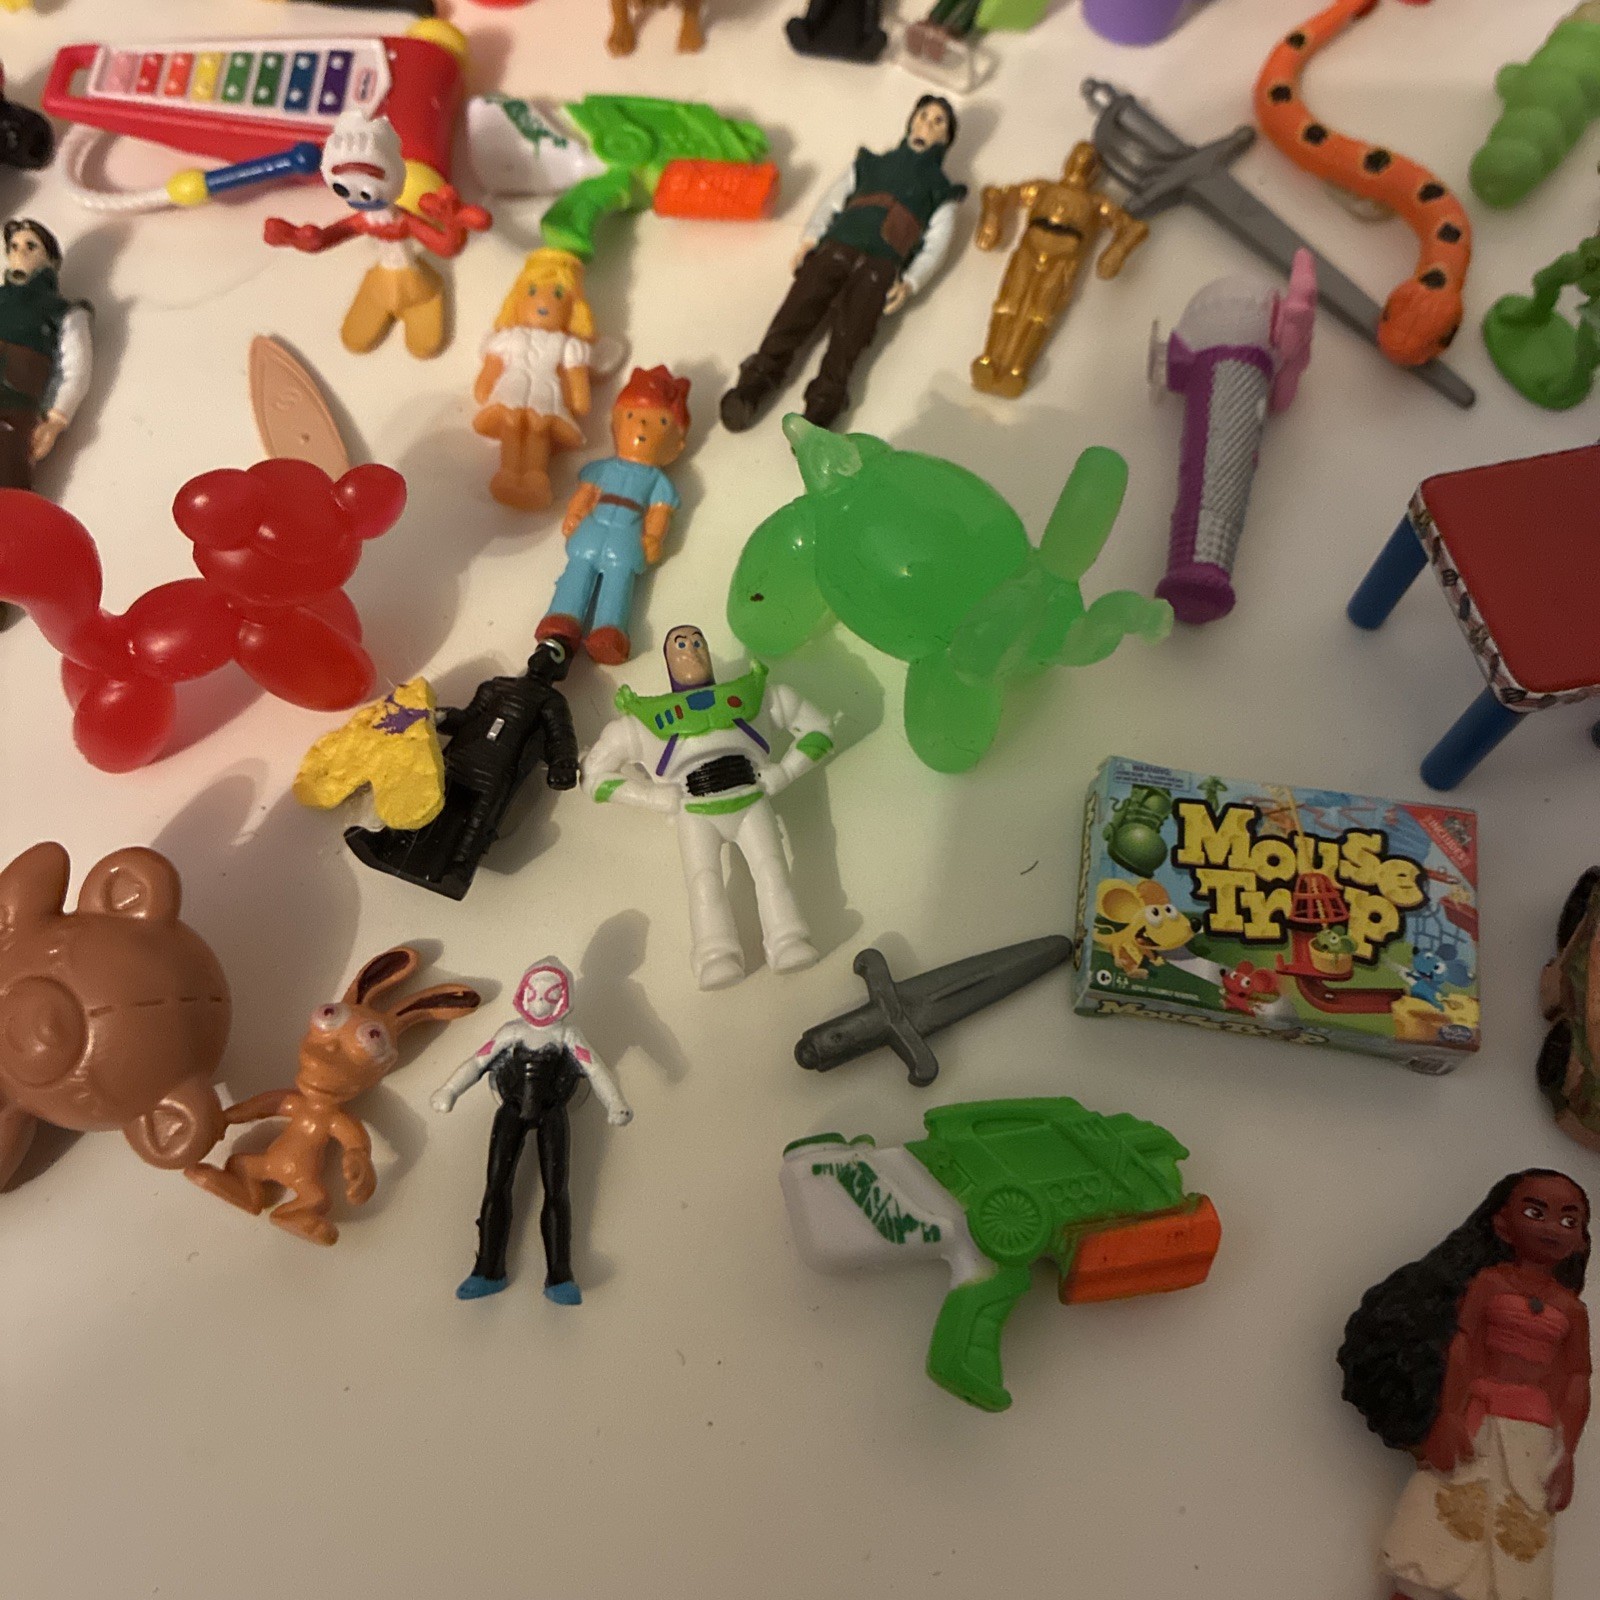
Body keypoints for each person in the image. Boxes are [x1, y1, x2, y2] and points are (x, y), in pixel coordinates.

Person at [1338, 1169, 1592, 1600]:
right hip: (1479, 1425)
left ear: (1581, 1240)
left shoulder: (1572, 1310)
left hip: (1533, 1440)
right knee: (1442, 1532)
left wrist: (1566, 1453)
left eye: (1569, 1220)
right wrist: (1449, 1416)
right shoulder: (1489, 1284)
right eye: (1536, 1213)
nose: (1552, 1228)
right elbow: (1463, 1347)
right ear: (1502, 1224)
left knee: (1514, 1545)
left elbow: (1576, 1379)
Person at [582, 625, 834, 990]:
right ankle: (715, 955)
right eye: (681, 645)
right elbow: (595, 777)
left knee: (771, 870)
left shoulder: (757, 697)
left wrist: (785, 772)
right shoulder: (642, 723)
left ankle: (787, 939)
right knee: (704, 884)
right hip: (695, 811)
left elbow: (819, 729)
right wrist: (651, 797)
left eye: (698, 642)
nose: (691, 652)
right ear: (668, 658)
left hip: (750, 798)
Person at [719, 97, 965, 433]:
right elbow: (832, 201)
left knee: (850, 340)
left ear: (946, 138)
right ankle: (753, 385)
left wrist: (911, 281)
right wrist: (811, 238)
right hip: (836, 248)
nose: (928, 125)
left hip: (880, 267)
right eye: (923, 116)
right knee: (794, 314)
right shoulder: (870, 164)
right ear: (911, 121)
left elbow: (937, 243)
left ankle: (822, 410)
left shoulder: (941, 190)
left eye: (939, 122)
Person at [432, 959, 632, 1306]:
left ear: (563, 997)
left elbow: (594, 1069)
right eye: (534, 993)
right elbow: (479, 1061)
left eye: (549, 995)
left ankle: (560, 1274)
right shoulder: (511, 1032)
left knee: (557, 1191)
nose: (540, 1003)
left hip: (552, 1112)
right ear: (523, 993)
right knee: (496, 1185)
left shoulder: (568, 1035)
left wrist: (615, 1102)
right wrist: (449, 1089)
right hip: (511, 1110)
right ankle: (487, 1268)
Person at [344, 640, 579, 900]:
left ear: (560, 669)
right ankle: (386, 842)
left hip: (497, 768)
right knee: (427, 800)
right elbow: (468, 716)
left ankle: (459, 869)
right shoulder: (496, 686)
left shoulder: (552, 702)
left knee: (479, 818)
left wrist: (563, 764)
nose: (543, 657)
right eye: (542, 649)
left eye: (553, 654)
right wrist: (438, 717)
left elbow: (561, 738)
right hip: (462, 755)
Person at [536, 365, 690, 665]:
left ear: (676, 446)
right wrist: (575, 514)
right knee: (577, 570)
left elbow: (660, 512)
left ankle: (609, 631)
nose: (642, 426)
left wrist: (653, 537)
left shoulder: (657, 481)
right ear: (615, 425)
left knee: (619, 581)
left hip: (626, 535)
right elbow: (585, 493)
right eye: (632, 416)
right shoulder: (603, 468)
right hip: (594, 526)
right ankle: (562, 618)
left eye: (660, 422)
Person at [473, 248, 596, 512]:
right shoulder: (509, 337)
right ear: (517, 299)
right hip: (513, 387)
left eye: (558, 295)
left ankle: (535, 478)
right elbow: (491, 369)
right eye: (532, 291)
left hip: (545, 392)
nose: (544, 302)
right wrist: (484, 386)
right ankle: (508, 473)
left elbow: (576, 379)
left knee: (539, 427)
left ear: (573, 307)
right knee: (511, 421)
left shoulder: (566, 344)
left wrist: (579, 399)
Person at [0, 218, 91, 492]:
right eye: (14, 246)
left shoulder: (64, 312)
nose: (20, 252)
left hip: (14, 414)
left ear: (51, 260)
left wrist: (55, 421)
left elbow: (76, 369)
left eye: (31, 246)